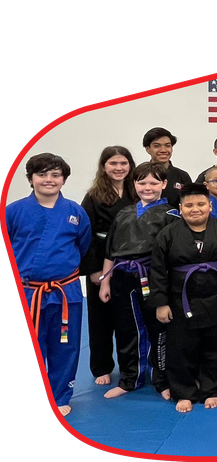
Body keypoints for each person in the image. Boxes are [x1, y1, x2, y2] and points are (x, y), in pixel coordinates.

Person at [8, 153, 91, 416]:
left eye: (55, 174)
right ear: (31, 179)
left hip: (65, 290)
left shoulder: (76, 212)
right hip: (27, 290)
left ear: (64, 179)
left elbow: (83, 245)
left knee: (65, 344)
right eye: (42, 174)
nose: (49, 179)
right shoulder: (14, 211)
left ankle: (60, 395)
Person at [149, 183, 217, 413]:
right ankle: (184, 392)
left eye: (201, 204)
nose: (195, 209)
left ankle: (212, 389)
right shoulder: (168, 234)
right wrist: (161, 303)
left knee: (216, 346)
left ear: (210, 206)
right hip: (181, 299)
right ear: (180, 208)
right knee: (181, 347)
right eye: (189, 205)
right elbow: (158, 271)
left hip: (216, 298)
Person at [97, 162, 180, 400]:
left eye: (154, 182)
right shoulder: (123, 213)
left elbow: (174, 256)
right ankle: (129, 379)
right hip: (123, 276)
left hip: (155, 276)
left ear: (164, 184)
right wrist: (105, 281)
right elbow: (110, 251)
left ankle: (163, 380)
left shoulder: (171, 215)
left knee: (159, 328)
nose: (147, 187)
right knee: (126, 329)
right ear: (134, 184)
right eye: (142, 182)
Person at [80, 146, 138, 387]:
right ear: (103, 166)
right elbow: (85, 235)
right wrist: (94, 269)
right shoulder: (93, 196)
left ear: (130, 165)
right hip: (101, 260)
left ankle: (131, 367)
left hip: (131, 263)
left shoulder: (137, 190)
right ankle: (102, 366)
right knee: (100, 320)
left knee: (128, 319)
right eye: (113, 163)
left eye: (123, 163)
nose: (118, 168)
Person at [142, 127, 192, 207]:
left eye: (167, 146)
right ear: (148, 149)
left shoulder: (182, 176)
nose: (163, 150)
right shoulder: (139, 175)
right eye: (157, 146)